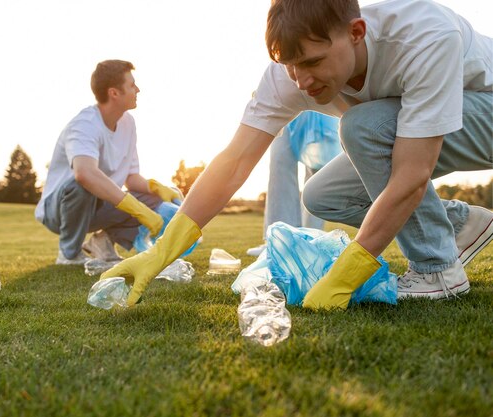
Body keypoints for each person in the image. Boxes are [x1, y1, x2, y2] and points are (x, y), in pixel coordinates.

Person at [102, 0, 493, 309]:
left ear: (356, 32)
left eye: (312, 62)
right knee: (323, 196)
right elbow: (234, 161)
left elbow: (412, 173)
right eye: (290, 66)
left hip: (485, 111)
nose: (302, 81)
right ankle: (459, 226)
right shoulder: (288, 73)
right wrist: (162, 252)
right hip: (424, 127)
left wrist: (344, 276)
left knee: (361, 126)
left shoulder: (423, 36)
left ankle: (438, 270)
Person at [34, 60, 182, 265]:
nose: (138, 89)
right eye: (132, 85)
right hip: (59, 211)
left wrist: (156, 187)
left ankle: (103, 242)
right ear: (114, 93)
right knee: (83, 185)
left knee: (151, 197)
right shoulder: (85, 124)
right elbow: (84, 174)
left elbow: (131, 178)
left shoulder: (128, 123)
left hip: (98, 207)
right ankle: (69, 254)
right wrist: (137, 209)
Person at [246, 111, 341, 257]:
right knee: (279, 163)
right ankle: (278, 240)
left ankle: (312, 240)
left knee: (317, 170)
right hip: (286, 105)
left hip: (321, 110)